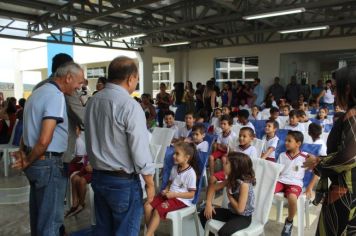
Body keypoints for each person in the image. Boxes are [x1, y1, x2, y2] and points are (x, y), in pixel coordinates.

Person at [84, 57, 155, 235]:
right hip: (122, 182)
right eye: (137, 78)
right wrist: (150, 183)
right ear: (130, 78)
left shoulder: (93, 101)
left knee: (104, 230)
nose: (136, 82)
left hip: (99, 178)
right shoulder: (130, 105)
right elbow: (139, 149)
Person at [12, 62, 84, 236]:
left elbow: (26, 131)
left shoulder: (36, 93)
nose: (78, 87)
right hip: (48, 163)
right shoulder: (55, 96)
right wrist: (28, 160)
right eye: (78, 82)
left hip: (36, 163)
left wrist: (25, 154)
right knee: (51, 223)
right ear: (68, 77)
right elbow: (44, 139)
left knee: (39, 218)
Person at [303, 66, 356, 236]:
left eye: (335, 88)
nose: (333, 94)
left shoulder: (353, 115)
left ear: (347, 88)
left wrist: (319, 162)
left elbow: (350, 157)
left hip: (346, 192)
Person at [144, 141, 199, 236]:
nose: (173, 156)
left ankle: (148, 234)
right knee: (147, 206)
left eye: (177, 154)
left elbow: (191, 194)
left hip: (180, 199)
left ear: (187, 158)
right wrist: (167, 189)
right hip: (169, 195)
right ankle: (151, 233)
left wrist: (174, 194)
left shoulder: (191, 173)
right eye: (174, 153)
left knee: (157, 210)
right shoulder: (175, 168)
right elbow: (171, 182)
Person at [200, 152, 255, 236]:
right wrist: (208, 204)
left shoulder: (244, 185)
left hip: (243, 217)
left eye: (226, 163)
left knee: (223, 232)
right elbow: (212, 188)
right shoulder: (231, 179)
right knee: (203, 214)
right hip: (231, 213)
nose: (223, 165)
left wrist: (230, 196)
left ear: (235, 167)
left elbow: (240, 210)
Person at [275, 131, 310, 236]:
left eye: (289, 141)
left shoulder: (305, 157)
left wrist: (309, 188)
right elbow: (278, 171)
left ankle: (289, 221)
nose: (285, 142)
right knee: (266, 190)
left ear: (298, 143)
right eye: (285, 140)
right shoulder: (282, 155)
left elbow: (317, 171)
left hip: (295, 183)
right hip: (281, 180)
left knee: (292, 198)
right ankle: (258, 216)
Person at [65, 126, 92, 217]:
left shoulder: (81, 141)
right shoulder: (86, 140)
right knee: (74, 178)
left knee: (81, 181)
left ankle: (81, 203)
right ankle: (75, 203)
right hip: (86, 165)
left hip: (94, 168)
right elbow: (85, 157)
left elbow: (80, 157)